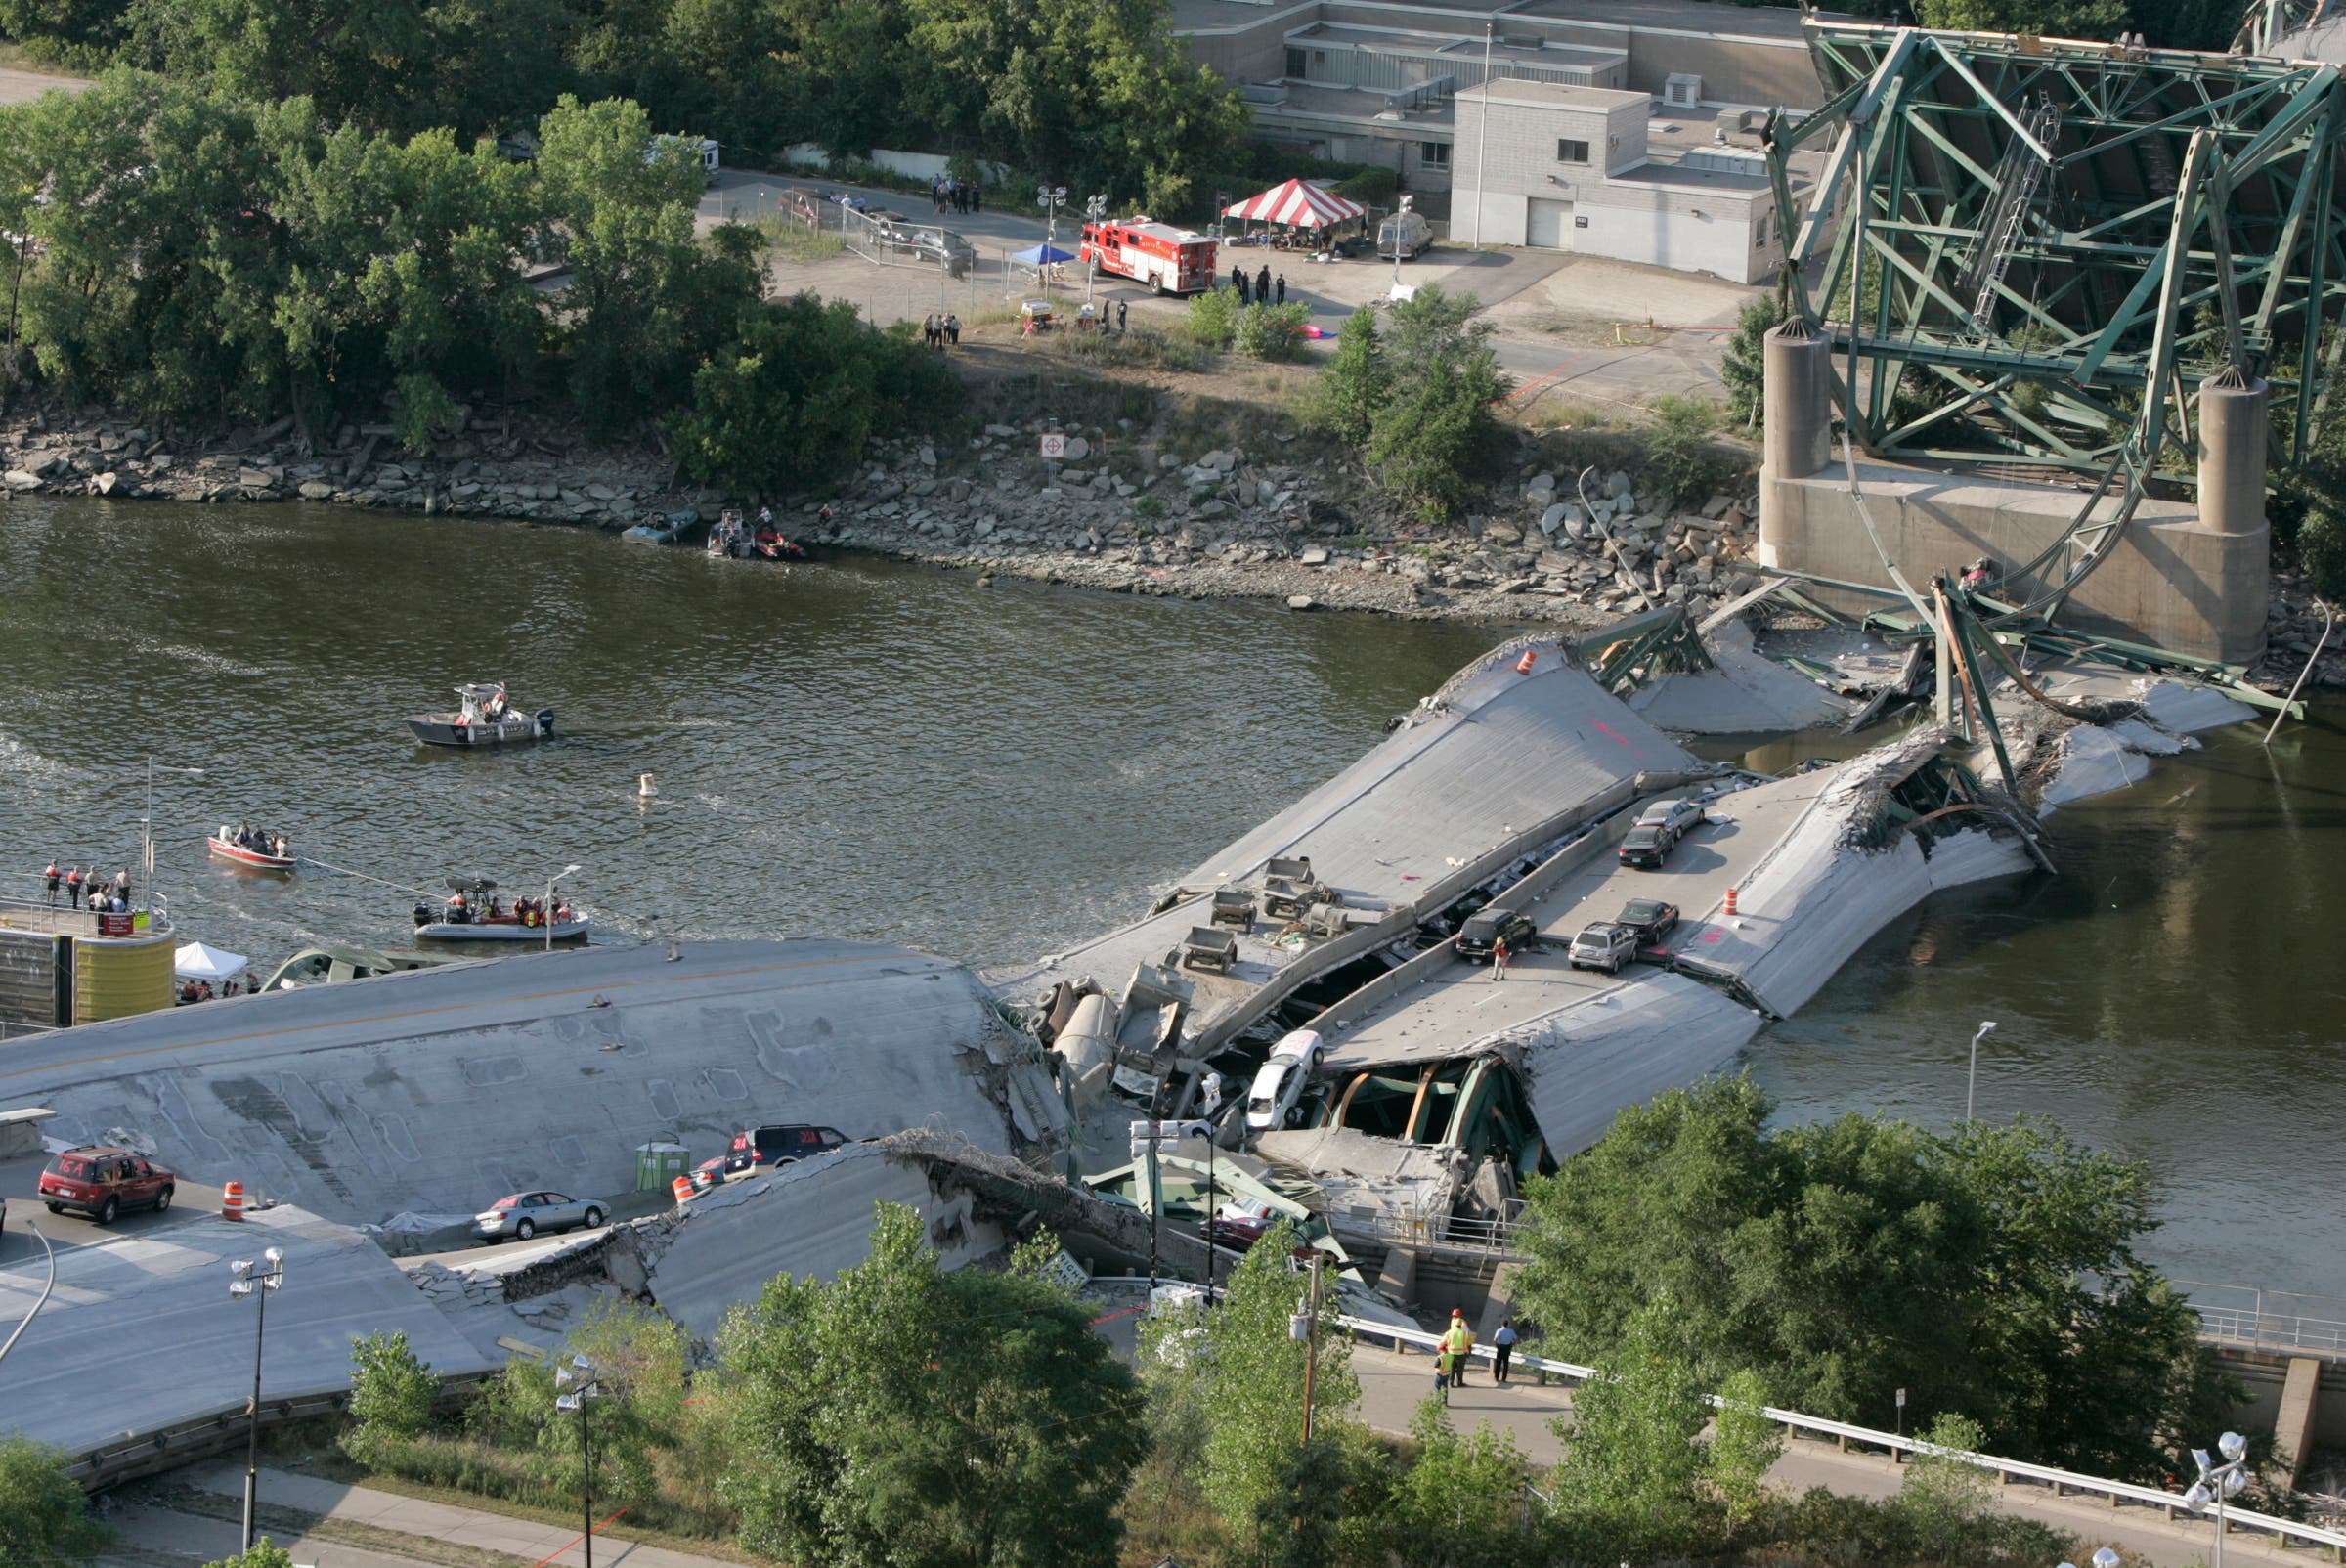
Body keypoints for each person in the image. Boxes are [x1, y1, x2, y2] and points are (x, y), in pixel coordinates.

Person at [1440, 1310, 1475, 1387]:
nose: (1454, 1317)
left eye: (1454, 1315)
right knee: (1460, 1369)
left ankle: (1451, 1383)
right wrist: (1469, 1350)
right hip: (1461, 1354)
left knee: (1452, 1368)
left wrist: (1443, 1348)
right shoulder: (1463, 1330)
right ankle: (1460, 1382)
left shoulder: (1450, 1330)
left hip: (1451, 1352)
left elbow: (1444, 1341)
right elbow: (1469, 1340)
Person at [1493, 1318, 1518, 1385]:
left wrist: (1497, 1346)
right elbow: (1515, 1339)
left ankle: (1496, 1377)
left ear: (1502, 1324)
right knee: (1506, 1364)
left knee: (1498, 1363)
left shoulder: (1499, 1330)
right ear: (1507, 1325)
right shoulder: (1511, 1331)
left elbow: (1495, 1339)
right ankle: (1504, 1379)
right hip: (1507, 1348)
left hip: (1500, 1348)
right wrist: (1512, 1345)